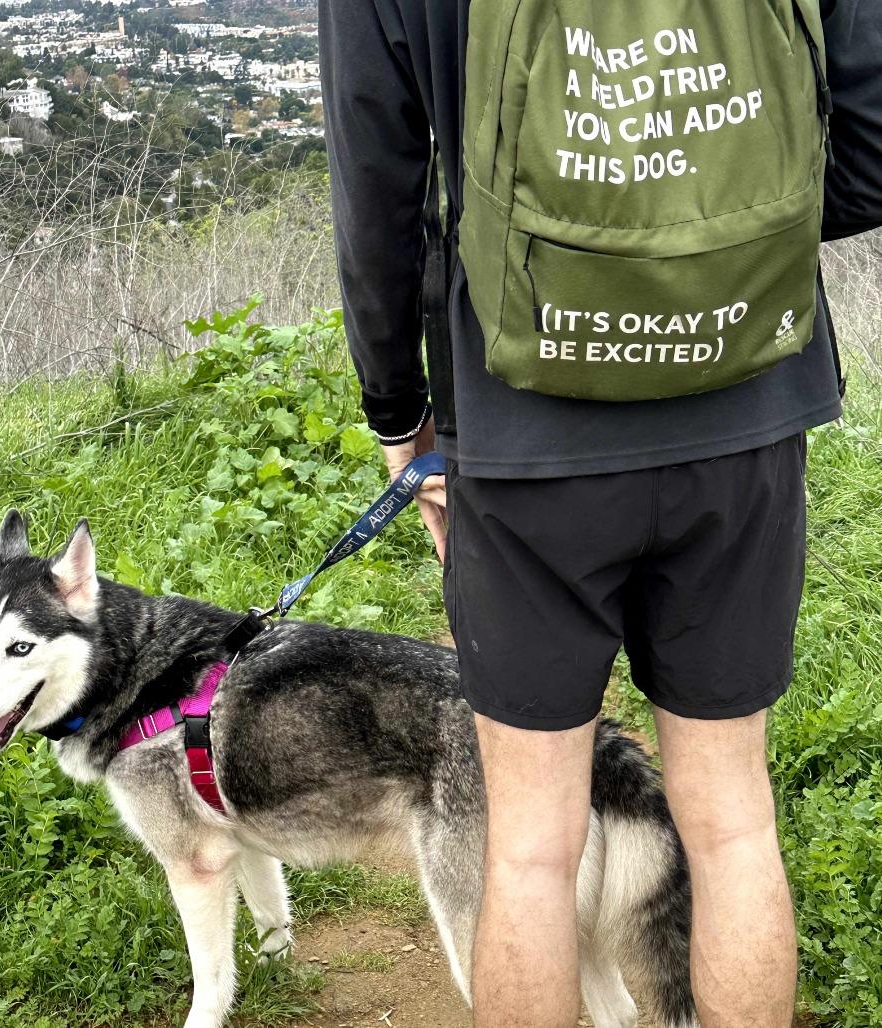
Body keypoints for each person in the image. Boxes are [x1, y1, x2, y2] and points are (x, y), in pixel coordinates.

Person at [319, 2, 880, 1026]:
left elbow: (374, 181)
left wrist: (397, 405)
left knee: (530, 842)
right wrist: (713, 241)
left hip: (521, 423)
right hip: (743, 399)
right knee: (730, 822)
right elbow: (870, 147)